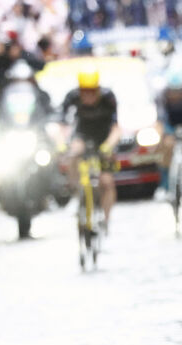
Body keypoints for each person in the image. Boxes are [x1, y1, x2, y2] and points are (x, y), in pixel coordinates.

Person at [60, 66, 120, 228]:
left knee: (106, 182)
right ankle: (76, 194)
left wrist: (109, 145)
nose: (88, 96)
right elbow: (63, 124)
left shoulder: (108, 98)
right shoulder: (72, 97)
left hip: (103, 138)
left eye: (92, 91)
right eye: (84, 91)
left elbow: (116, 128)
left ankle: (106, 220)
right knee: (74, 153)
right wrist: (63, 143)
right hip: (82, 136)